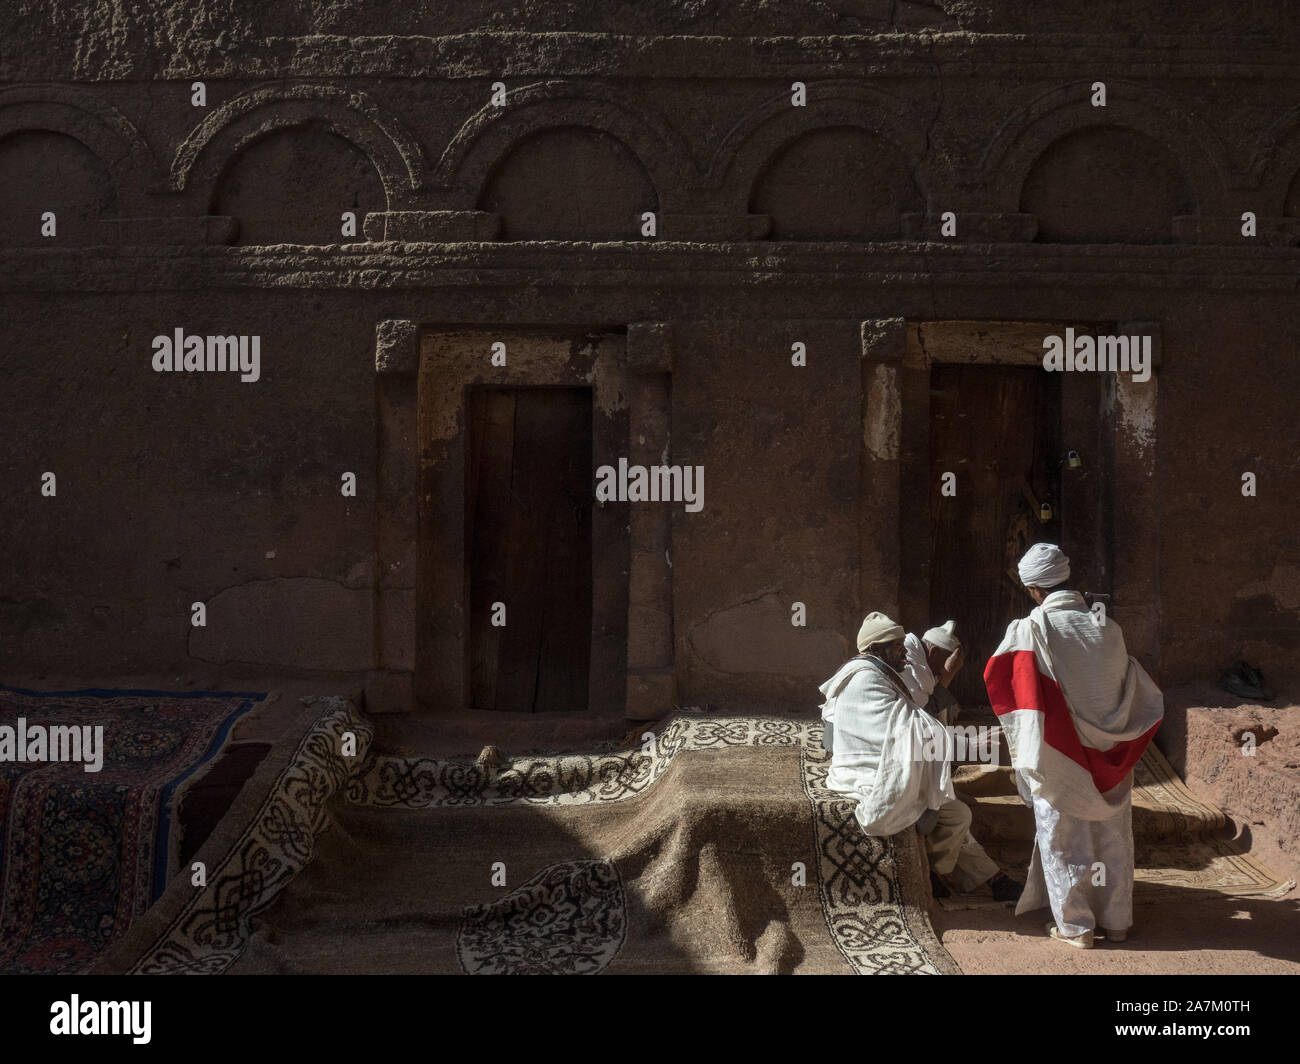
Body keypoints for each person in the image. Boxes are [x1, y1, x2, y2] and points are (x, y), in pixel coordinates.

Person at [984, 543, 1164, 948]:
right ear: (1066, 578)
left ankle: (1077, 927)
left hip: (1060, 750)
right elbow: (1126, 687)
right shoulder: (1109, 628)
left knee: (1063, 836)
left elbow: (1011, 688)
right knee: (1113, 834)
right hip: (1111, 755)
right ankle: (1117, 921)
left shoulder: (1031, 629)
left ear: (1032, 588)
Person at [820, 612, 1022, 902]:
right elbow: (913, 733)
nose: (904, 652)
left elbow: (914, 726)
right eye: (897, 647)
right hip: (866, 771)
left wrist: (966, 743)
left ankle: (933, 874)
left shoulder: (883, 674)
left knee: (955, 812)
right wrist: (970, 745)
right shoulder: (866, 681)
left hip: (886, 762)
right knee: (949, 808)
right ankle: (953, 878)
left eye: (903, 645)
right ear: (876, 649)